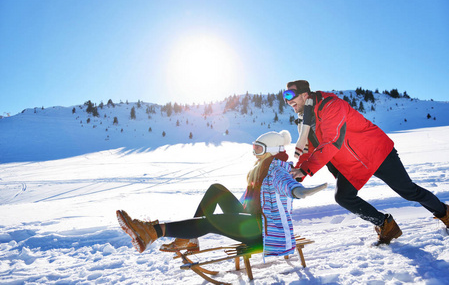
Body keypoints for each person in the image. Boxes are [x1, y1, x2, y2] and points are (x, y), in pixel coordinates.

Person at [283, 80, 449, 245]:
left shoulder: (331, 105)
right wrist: (298, 172)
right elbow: (309, 149)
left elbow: (332, 141)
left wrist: (305, 170)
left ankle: (445, 213)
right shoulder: (305, 121)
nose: (287, 100)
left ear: (305, 94)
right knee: (343, 197)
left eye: (290, 94)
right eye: (284, 95)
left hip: (376, 153)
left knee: (408, 191)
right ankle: (386, 225)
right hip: (352, 164)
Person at [116, 130, 327, 255]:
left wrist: (300, 191)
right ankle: (190, 239)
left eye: (259, 149)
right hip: (249, 217)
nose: (254, 153)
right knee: (215, 190)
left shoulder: (278, 169)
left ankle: (152, 232)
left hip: (260, 230)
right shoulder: (260, 167)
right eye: (254, 148)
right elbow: (252, 197)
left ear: (271, 151)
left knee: (211, 221)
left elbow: (288, 185)